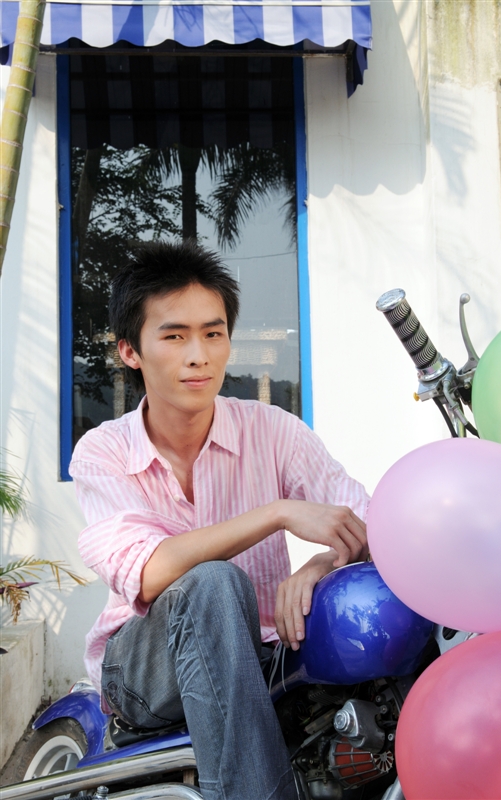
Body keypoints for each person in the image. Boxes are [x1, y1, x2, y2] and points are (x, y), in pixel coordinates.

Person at [70, 240, 369, 800]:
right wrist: (277, 513)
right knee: (211, 582)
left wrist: (324, 565)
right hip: (143, 673)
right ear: (130, 351)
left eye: (213, 333)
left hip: (266, 657)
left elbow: (369, 521)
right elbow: (150, 573)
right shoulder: (103, 452)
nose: (199, 355)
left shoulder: (274, 430)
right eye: (174, 336)